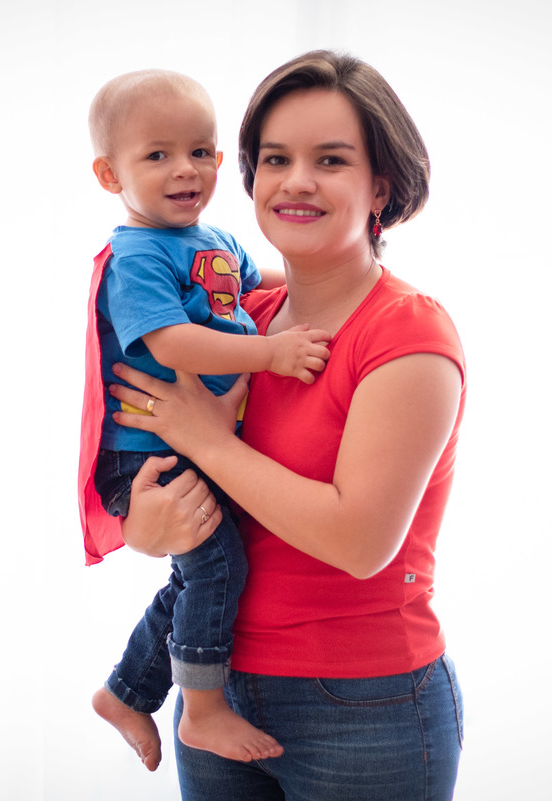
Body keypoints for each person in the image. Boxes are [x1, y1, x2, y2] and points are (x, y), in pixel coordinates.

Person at [109, 50, 467, 800]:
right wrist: (145, 527)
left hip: (364, 708)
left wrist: (207, 438)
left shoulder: (407, 336)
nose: (296, 181)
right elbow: (167, 484)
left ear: (381, 186)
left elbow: (359, 542)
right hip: (214, 688)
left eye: (330, 160)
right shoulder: (238, 324)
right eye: (276, 159)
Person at [78, 69, 333, 772]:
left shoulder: (212, 239)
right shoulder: (136, 255)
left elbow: (259, 283)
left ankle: (126, 691)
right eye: (157, 155)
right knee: (217, 567)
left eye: (199, 151)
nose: (185, 169)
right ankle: (203, 707)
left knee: (205, 573)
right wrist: (270, 354)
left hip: (190, 441)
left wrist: (326, 276)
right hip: (147, 451)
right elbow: (172, 343)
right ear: (111, 175)